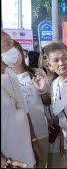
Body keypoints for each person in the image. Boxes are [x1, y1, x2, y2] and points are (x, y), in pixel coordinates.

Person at [10, 40, 51, 168]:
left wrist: (42, 91)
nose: (14, 58)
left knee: (42, 164)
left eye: (17, 53)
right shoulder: (5, 79)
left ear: (22, 53)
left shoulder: (37, 73)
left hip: (40, 131)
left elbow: (47, 102)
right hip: (17, 135)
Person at [1, 30, 37, 168]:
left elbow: (24, 112)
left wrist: (34, 142)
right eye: (8, 44)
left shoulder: (11, 73)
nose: (14, 48)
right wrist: (4, 161)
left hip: (27, 157)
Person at [38, 47, 67, 168]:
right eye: (44, 57)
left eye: (49, 58)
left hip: (59, 130)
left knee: (57, 162)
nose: (46, 61)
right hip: (42, 128)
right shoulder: (37, 77)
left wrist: (62, 137)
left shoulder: (62, 79)